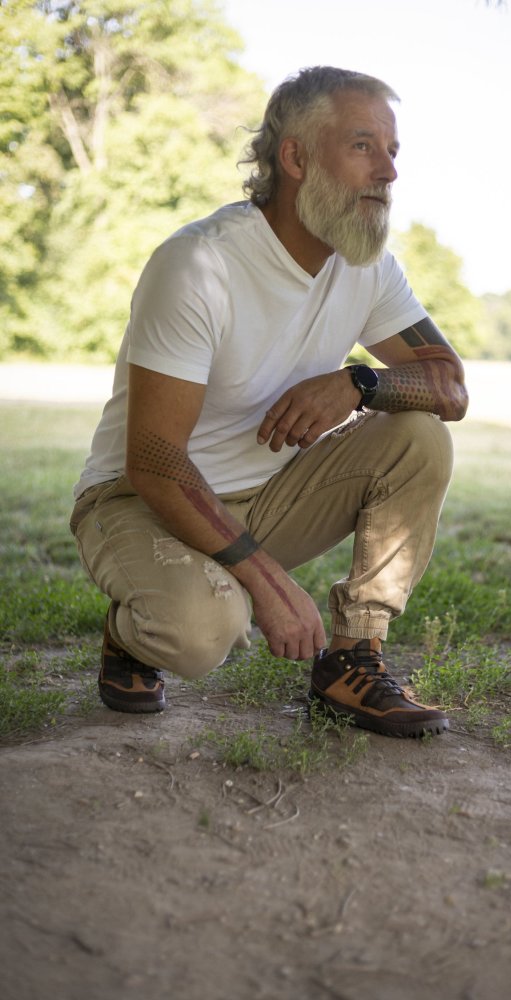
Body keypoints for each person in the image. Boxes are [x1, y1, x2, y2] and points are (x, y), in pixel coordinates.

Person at [69, 65, 469, 739]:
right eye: (363, 146)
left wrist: (357, 384)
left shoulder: (368, 268)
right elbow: (156, 460)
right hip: (138, 500)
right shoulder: (199, 264)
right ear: (295, 157)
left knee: (419, 434)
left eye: (393, 151)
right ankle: (131, 635)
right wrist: (264, 579)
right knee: (201, 633)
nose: (389, 173)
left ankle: (353, 658)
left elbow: (448, 386)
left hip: (269, 493)